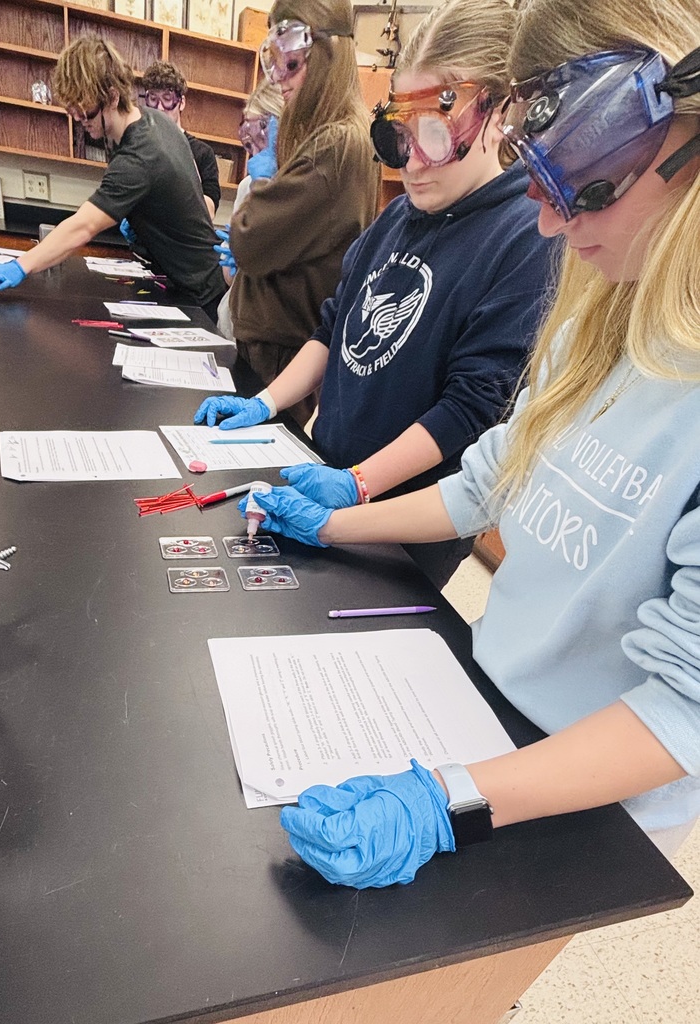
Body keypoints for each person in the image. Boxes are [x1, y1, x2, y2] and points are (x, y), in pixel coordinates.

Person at [243, 0, 700, 885]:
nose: (546, 226)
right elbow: (490, 479)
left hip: (594, 795)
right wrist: (334, 520)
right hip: (489, 704)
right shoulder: (601, 322)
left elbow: (686, 710)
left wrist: (446, 799)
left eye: (580, 183)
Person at [197, 0, 557, 588]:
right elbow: (333, 329)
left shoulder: (524, 236)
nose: (411, 163)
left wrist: (360, 484)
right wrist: (265, 405)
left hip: (407, 519)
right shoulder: (402, 215)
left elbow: (471, 408)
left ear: (497, 115)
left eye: (435, 136)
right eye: (399, 138)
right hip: (331, 469)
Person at [0, 36, 226, 323]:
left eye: (86, 113)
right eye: (74, 113)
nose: (82, 121)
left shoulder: (140, 155)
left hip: (201, 298)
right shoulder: (155, 121)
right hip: (186, 283)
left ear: (113, 96)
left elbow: (83, 227)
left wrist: (21, 265)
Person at [224, 0, 377, 426]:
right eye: (272, 61)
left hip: (280, 353)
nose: (277, 78)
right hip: (276, 348)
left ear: (325, 56)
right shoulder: (337, 138)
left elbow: (249, 240)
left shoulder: (336, 144)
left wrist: (261, 182)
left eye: (290, 64)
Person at [215, 78, 285, 340]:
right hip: (230, 326)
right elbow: (229, 278)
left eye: (262, 140)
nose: (255, 155)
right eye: (248, 146)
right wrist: (235, 257)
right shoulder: (247, 187)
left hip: (266, 337)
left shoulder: (301, 193)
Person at [139, 61, 221, 217]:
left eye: (167, 98)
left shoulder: (202, 153)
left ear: (181, 102)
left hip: (182, 239)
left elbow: (209, 212)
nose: (159, 107)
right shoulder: (138, 147)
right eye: (153, 98)